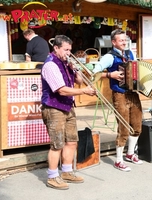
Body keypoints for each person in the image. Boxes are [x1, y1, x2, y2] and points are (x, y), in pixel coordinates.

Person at [41, 35, 96, 190]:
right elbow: (61, 90)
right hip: (54, 108)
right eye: (66, 50)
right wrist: (85, 91)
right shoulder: (51, 65)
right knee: (57, 144)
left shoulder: (67, 63)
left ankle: (66, 171)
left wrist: (75, 68)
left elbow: (78, 81)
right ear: (56, 48)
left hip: (68, 106)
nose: (68, 53)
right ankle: (52, 176)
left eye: (70, 50)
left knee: (71, 141)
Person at [92, 29, 144, 172]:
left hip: (133, 94)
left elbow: (136, 71)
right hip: (119, 94)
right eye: (121, 40)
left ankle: (130, 154)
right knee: (124, 128)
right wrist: (110, 74)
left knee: (137, 125)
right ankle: (118, 160)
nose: (124, 42)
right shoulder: (109, 57)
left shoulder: (130, 54)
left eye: (125, 40)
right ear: (113, 42)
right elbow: (94, 72)